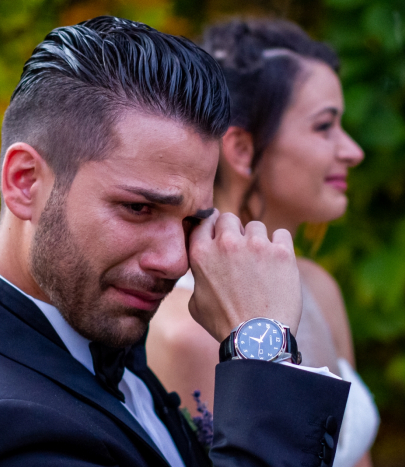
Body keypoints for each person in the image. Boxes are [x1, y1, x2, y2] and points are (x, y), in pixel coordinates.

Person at [0, 16, 351, 467]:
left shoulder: (99, 343)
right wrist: (264, 354)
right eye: (139, 209)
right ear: (24, 183)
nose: (176, 261)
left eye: (192, 220)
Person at [146, 19, 379, 467]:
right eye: (324, 126)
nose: (352, 150)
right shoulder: (185, 329)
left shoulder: (319, 287)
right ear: (241, 149)